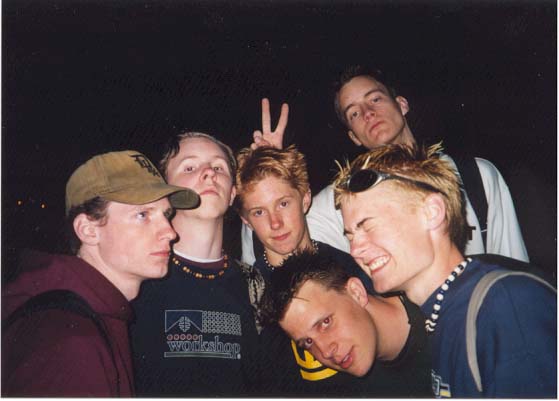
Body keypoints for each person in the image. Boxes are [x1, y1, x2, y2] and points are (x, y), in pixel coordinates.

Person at [332, 142, 556, 397]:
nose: (355, 250)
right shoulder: (442, 315)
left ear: (432, 213)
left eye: (368, 226)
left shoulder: (504, 305)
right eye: (350, 236)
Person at [242, 66, 528, 264]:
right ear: (354, 136)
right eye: (354, 113)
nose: (368, 112)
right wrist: (268, 178)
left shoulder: (476, 175)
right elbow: (273, 242)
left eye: (375, 99)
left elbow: (514, 268)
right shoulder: (342, 198)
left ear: (401, 104)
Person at [235, 144, 431, 396]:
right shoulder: (248, 295)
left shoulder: (353, 265)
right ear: (246, 220)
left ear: (305, 199)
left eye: (283, 203)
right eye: (259, 212)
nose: (275, 223)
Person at [2, 150, 200, 397]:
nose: (170, 233)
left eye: (166, 215)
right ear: (88, 230)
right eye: (143, 215)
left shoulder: (95, 313)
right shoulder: (68, 340)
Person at [130, 132, 260, 397]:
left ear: (232, 193)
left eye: (219, 167)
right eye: (189, 167)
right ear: (165, 190)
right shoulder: (137, 280)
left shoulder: (255, 287)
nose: (209, 173)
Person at [258, 249, 431, 397]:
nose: (325, 352)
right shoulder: (351, 387)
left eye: (325, 323)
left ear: (356, 292)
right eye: (308, 342)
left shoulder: (439, 321)